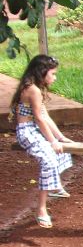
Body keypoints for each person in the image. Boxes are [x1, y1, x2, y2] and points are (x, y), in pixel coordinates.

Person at [9, 54, 74, 228]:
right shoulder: (33, 90)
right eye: (53, 73)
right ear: (41, 72)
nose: (55, 77)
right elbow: (39, 119)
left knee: (62, 151)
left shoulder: (35, 87)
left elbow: (45, 117)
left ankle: (55, 187)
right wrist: (53, 141)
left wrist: (60, 138)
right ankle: (41, 210)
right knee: (49, 161)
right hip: (27, 132)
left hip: (35, 129)